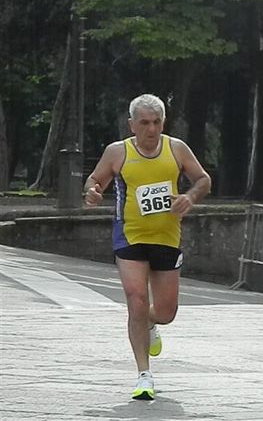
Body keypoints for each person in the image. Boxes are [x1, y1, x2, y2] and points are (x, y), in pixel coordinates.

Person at [83, 94, 211, 400]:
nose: (151, 130)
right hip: (129, 236)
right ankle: (144, 375)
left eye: (156, 122)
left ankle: (151, 323)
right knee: (136, 299)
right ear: (131, 125)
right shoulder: (118, 152)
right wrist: (92, 192)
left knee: (165, 312)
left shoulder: (176, 148)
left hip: (167, 237)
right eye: (144, 123)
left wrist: (190, 197)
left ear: (163, 123)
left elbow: (203, 179)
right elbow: (95, 180)